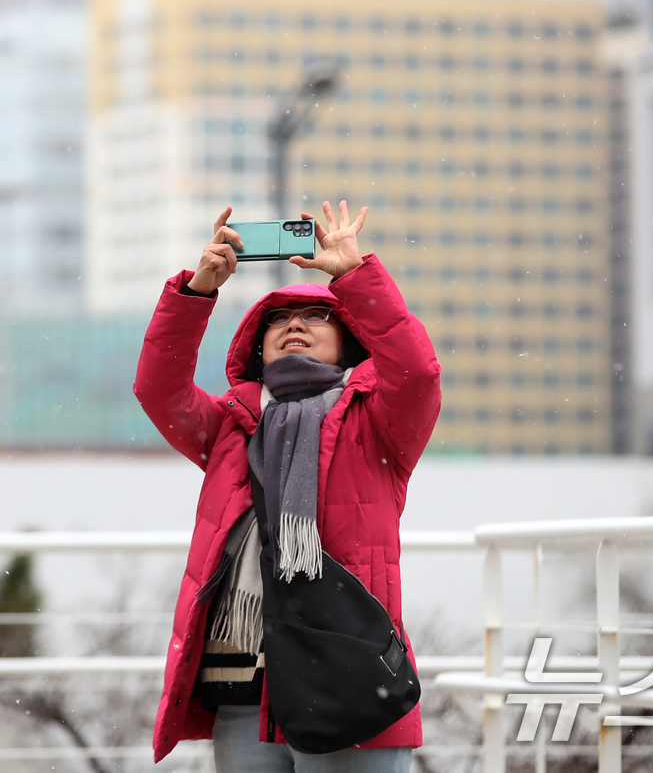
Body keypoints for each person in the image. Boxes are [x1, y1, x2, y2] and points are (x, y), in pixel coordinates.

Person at [135, 201, 442, 772]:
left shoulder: (377, 421)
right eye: (279, 320)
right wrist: (198, 291)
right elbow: (158, 389)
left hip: (347, 678)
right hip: (242, 685)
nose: (295, 324)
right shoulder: (232, 424)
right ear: (258, 345)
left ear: (348, 343)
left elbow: (417, 371)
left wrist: (353, 277)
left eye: (316, 318)